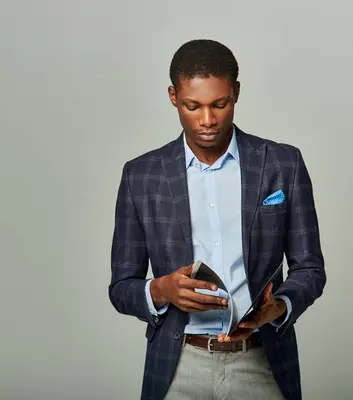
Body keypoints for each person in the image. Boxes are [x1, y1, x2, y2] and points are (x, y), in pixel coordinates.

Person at [109, 39, 326, 400]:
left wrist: (279, 306)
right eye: (193, 106)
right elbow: (121, 288)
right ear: (173, 97)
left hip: (261, 360)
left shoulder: (283, 165)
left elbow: (310, 269)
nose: (207, 120)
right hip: (176, 366)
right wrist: (161, 290)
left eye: (219, 104)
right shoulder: (141, 176)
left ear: (236, 93)